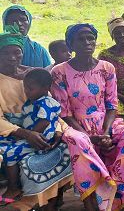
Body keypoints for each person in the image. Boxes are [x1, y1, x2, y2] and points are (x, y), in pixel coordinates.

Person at [51, 23, 124, 211]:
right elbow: (65, 112)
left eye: (90, 38)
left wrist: (106, 132)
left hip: (105, 122)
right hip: (74, 124)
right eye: (81, 39)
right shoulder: (59, 72)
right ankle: (91, 202)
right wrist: (89, 135)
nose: (87, 42)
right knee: (79, 141)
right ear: (70, 45)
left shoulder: (106, 68)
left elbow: (111, 105)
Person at [0, 26, 72, 211]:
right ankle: (24, 196)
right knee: (11, 153)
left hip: (40, 129)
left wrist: (57, 130)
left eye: (17, 52)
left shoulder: (33, 75)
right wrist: (25, 133)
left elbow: (50, 107)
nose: (12, 57)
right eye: (6, 53)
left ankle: (52, 200)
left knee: (67, 145)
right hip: (10, 131)